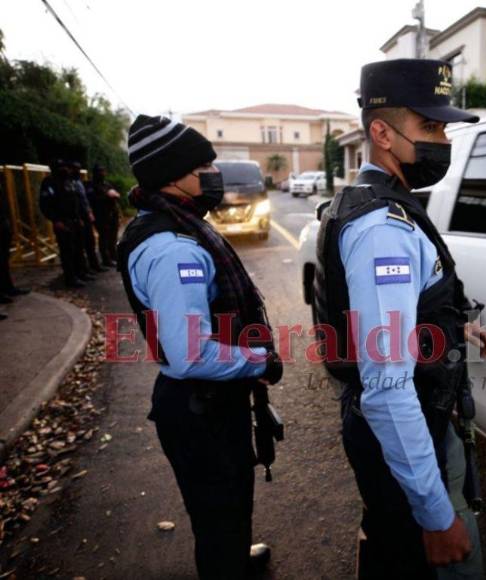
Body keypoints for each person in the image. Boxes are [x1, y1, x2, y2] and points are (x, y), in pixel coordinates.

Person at [314, 59, 486, 579]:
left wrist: (451, 326)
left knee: (392, 551)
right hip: (405, 430)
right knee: (422, 558)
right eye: (430, 127)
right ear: (381, 133)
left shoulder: (380, 204)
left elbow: (395, 313)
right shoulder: (382, 229)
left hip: (399, 427)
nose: (442, 139)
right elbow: (389, 387)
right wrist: (437, 518)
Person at [116, 115, 283, 580]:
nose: (214, 173)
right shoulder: (175, 250)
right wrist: (260, 360)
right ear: (173, 175)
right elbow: (192, 353)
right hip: (198, 407)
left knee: (227, 504)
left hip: (204, 402)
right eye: (205, 165)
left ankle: (232, 552)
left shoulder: (165, 224)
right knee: (217, 511)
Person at [39, 160, 92, 288]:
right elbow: (45, 205)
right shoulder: (49, 183)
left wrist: (79, 218)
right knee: (67, 251)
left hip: (75, 220)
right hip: (62, 222)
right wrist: (56, 220)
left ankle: (80, 273)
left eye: (65, 167)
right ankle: (70, 278)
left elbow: (75, 201)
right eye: (60, 167)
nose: (64, 169)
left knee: (78, 248)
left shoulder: (69, 181)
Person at [69, 161, 107, 273]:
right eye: (74, 168)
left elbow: (84, 201)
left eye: (79, 168)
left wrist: (89, 212)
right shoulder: (73, 183)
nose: (77, 171)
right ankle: (81, 270)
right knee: (79, 245)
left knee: (90, 242)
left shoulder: (79, 182)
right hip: (77, 218)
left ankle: (92, 266)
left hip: (86, 216)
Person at [86, 164, 120, 267]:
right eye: (100, 172)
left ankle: (113, 256)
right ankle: (106, 259)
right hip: (101, 215)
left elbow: (116, 195)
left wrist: (114, 196)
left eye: (103, 171)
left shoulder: (107, 184)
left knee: (113, 237)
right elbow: (92, 200)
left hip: (112, 214)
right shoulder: (91, 185)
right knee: (104, 238)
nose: (102, 174)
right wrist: (107, 196)